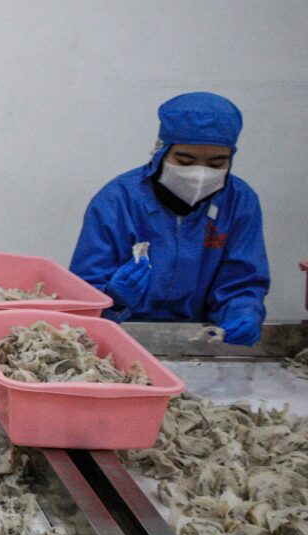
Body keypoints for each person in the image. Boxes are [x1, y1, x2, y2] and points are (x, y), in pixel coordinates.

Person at [69, 92, 269, 346]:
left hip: (199, 339)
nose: (200, 174)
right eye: (185, 161)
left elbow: (242, 279)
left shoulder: (239, 202)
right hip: (121, 335)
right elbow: (84, 289)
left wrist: (243, 312)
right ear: (161, 151)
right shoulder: (118, 200)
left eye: (217, 163)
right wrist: (112, 297)